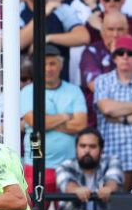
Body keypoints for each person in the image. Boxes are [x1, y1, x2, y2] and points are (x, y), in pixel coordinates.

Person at [19, 44, 87, 195]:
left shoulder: (74, 91)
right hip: (36, 164)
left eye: (52, 63)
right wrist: (65, 116)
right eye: (44, 64)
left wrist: (46, 122)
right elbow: (35, 122)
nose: (48, 68)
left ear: (60, 66)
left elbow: (81, 125)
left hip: (69, 165)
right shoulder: (28, 91)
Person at [94, 35, 132, 189]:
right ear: (114, 58)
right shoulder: (103, 80)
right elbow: (108, 108)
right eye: (120, 53)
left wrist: (123, 118)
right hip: (112, 162)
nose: (125, 57)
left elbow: (113, 110)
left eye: (130, 53)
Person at [56, 127, 124, 210]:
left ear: (101, 150)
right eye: (83, 146)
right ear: (76, 149)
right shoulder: (65, 166)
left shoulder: (112, 161)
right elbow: (66, 184)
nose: (87, 150)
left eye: (92, 146)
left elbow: (114, 179)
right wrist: (76, 190)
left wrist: (109, 188)